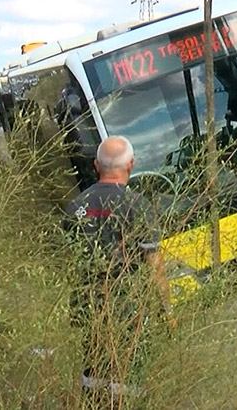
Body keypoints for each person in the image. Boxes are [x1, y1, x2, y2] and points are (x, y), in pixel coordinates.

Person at [63, 136, 170, 404]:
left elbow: (68, 260)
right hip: (127, 308)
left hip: (87, 306)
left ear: (96, 165)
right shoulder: (137, 206)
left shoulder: (76, 206)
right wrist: (167, 310)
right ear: (131, 165)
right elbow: (154, 264)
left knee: (94, 370)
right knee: (129, 376)